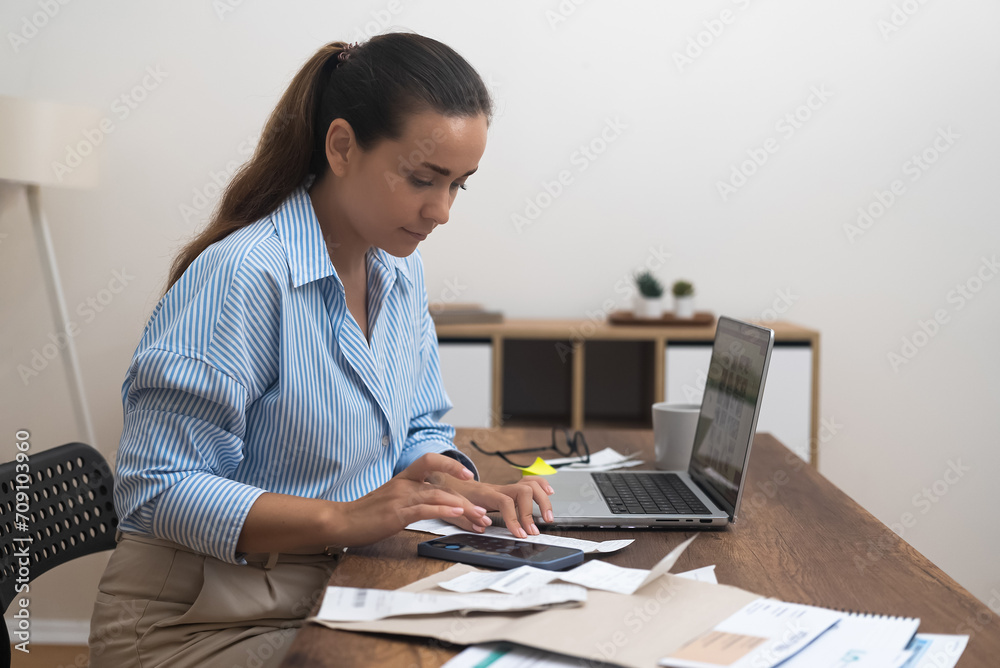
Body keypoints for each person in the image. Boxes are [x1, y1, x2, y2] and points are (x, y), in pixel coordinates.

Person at [87, 32, 554, 668]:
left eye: (459, 186)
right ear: (341, 147)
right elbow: (157, 486)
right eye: (423, 178)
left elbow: (419, 423)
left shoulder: (396, 266)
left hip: (332, 588)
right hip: (197, 624)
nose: (441, 210)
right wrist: (343, 517)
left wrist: (452, 482)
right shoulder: (245, 276)